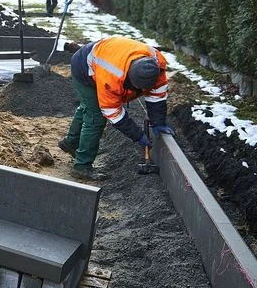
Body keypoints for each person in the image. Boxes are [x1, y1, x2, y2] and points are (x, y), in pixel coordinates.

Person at [57, 36, 174, 181]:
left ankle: (70, 143)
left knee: (88, 107)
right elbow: (112, 112)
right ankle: (82, 167)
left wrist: (158, 122)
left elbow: (157, 95)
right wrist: (137, 135)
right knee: (96, 117)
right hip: (83, 67)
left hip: (104, 55)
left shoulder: (157, 66)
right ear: (130, 78)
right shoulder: (112, 76)